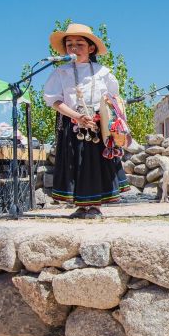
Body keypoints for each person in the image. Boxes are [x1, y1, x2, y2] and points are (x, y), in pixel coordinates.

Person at [43, 23, 129, 219]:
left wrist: (101, 118)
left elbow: (113, 99)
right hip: (72, 122)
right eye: (69, 44)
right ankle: (81, 206)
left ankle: (96, 206)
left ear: (91, 48)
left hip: (97, 125)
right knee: (76, 162)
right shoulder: (60, 72)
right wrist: (76, 116)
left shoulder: (103, 72)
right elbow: (54, 100)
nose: (73, 48)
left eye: (79, 44)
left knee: (95, 163)